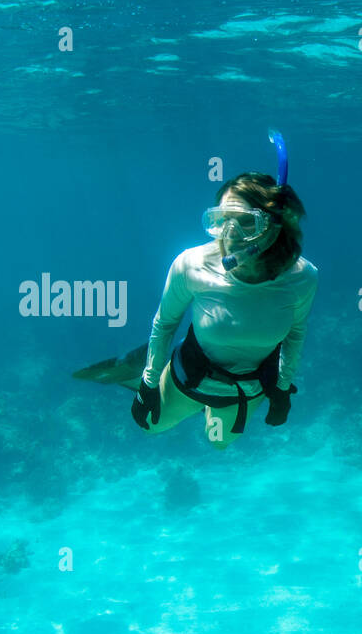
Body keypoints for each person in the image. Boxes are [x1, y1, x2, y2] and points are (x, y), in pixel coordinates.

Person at [130, 166, 318, 448]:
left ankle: (210, 412)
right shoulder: (191, 264)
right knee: (149, 427)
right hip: (190, 374)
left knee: (217, 442)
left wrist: (281, 389)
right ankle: (132, 373)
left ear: (274, 225)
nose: (229, 235)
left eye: (244, 222)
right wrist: (148, 381)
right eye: (220, 221)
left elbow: (296, 333)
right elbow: (165, 323)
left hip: (247, 387)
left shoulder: (302, 277)